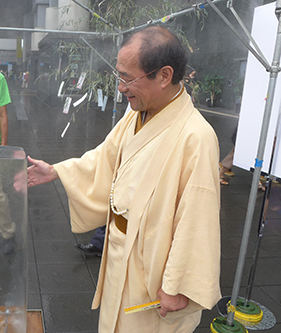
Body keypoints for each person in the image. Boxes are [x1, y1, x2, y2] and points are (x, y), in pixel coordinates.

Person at [27, 27, 221, 332]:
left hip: (153, 265)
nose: (121, 88)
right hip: (119, 247)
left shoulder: (196, 136)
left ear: (164, 75)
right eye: (119, 77)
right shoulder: (137, 113)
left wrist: (177, 285)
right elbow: (105, 158)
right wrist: (57, 171)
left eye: (128, 78)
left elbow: (198, 217)